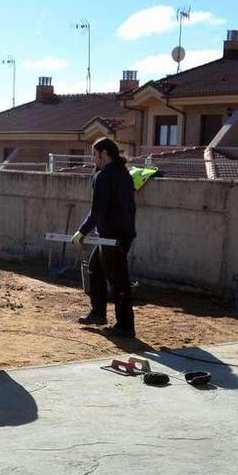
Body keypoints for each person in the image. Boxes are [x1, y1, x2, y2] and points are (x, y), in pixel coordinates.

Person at [71, 137, 137, 338]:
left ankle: (125, 326)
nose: (93, 159)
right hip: (120, 233)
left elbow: (97, 210)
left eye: (94, 154)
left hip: (112, 236)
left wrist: (82, 231)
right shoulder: (123, 173)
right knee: (95, 270)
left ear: (104, 154)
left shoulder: (105, 176)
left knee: (118, 280)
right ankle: (98, 313)